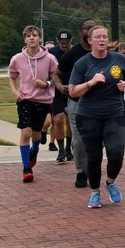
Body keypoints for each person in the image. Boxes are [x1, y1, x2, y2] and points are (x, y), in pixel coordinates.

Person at [68, 25, 125, 209]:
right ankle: (94, 192)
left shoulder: (120, 59)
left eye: (105, 37)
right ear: (90, 41)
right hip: (88, 115)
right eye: (98, 37)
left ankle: (110, 182)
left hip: (114, 113)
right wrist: (91, 82)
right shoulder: (82, 63)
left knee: (116, 152)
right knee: (93, 157)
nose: (102, 40)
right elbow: (72, 92)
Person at [7, 26, 59, 183]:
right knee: (26, 133)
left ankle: (35, 149)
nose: (31, 38)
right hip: (25, 100)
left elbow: (56, 77)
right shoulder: (17, 59)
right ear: (24, 39)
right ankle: (26, 169)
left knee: (36, 135)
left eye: (35, 35)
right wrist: (15, 92)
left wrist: (45, 84)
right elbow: (11, 76)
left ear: (39, 38)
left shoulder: (49, 58)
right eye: (28, 36)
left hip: (42, 101)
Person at [56, 19, 96, 188]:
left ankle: (93, 169)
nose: (89, 30)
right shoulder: (72, 54)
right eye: (86, 28)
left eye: (92, 28)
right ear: (80, 32)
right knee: (79, 140)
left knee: (96, 139)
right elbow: (56, 74)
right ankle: (81, 171)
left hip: (98, 102)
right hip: (76, 102)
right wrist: (59, 87)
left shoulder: (103, 52)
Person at [48, 30, 73, 162]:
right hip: (57, 90)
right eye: (61, 43)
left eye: (66, 43)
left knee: (70, 121)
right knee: (58, 120)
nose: (64, 45)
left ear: (71, 41)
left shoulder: (75, 53)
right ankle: (61, 150)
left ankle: (69, 147)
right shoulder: (52, 53)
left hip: (73, 89)